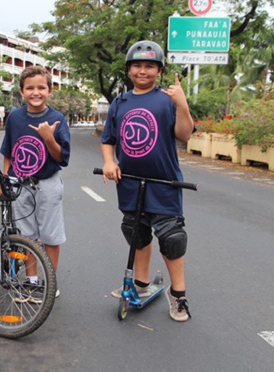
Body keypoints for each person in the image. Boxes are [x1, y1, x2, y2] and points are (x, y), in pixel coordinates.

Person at [100, 40, 194, 321]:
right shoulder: (120, 102)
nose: (143, 71)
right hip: (129, 181)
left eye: (150, 66)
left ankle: (178, 296)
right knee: (136, 235)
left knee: (172, 239)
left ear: (159, 70)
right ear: (129, 70)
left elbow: (184, 134)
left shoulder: (168, 98)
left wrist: (183, 104)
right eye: (137, 65)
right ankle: (140, 285)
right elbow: (108, 140)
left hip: (164, 183)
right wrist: (108, 161)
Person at [0, 65, 71, 303]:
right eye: (30, 88)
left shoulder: (57, 119)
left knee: (50, 235)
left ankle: (48, 283)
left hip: (48, 183)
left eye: (41, 87)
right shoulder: (15, 118)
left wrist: (49, 138)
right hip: (20, 184)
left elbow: (61, 157)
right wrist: (5, 178)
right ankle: (31, 282)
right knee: (26, 236)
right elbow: (8, 151)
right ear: (22, 92)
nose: (35, 92)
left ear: (50, 90)